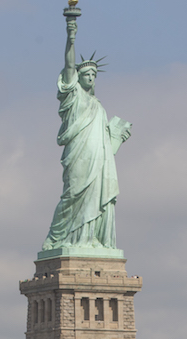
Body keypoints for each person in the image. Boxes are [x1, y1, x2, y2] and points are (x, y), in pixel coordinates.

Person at [42, 10, 132, 252]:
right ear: (77, 78)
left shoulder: (99, 107)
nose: (91, 77)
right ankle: (59, 238)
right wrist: (71, 34)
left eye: (94, 74)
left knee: (95, 195)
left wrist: (117, 137)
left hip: (98, 160)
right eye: (86, 74)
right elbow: (69, 64)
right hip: (78, 156)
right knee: (73, 195)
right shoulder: (73, 96)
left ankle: (90, 239)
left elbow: (105, 146)